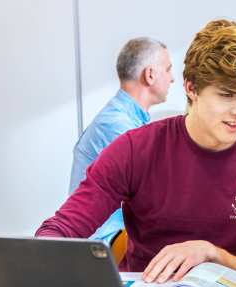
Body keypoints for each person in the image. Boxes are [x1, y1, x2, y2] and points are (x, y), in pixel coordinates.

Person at [36, 19, 236, 285]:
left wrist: (212, 255)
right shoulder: (136, 149)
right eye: (227, 95)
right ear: (191, 88)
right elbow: (63, 228)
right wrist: (39, 262)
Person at [69, 37, 174, 244]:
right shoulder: (117, 125)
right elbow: (153, 195)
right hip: (106, 243)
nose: (172, 79)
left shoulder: (129, 120)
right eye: (168, 69)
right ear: (150, 75)